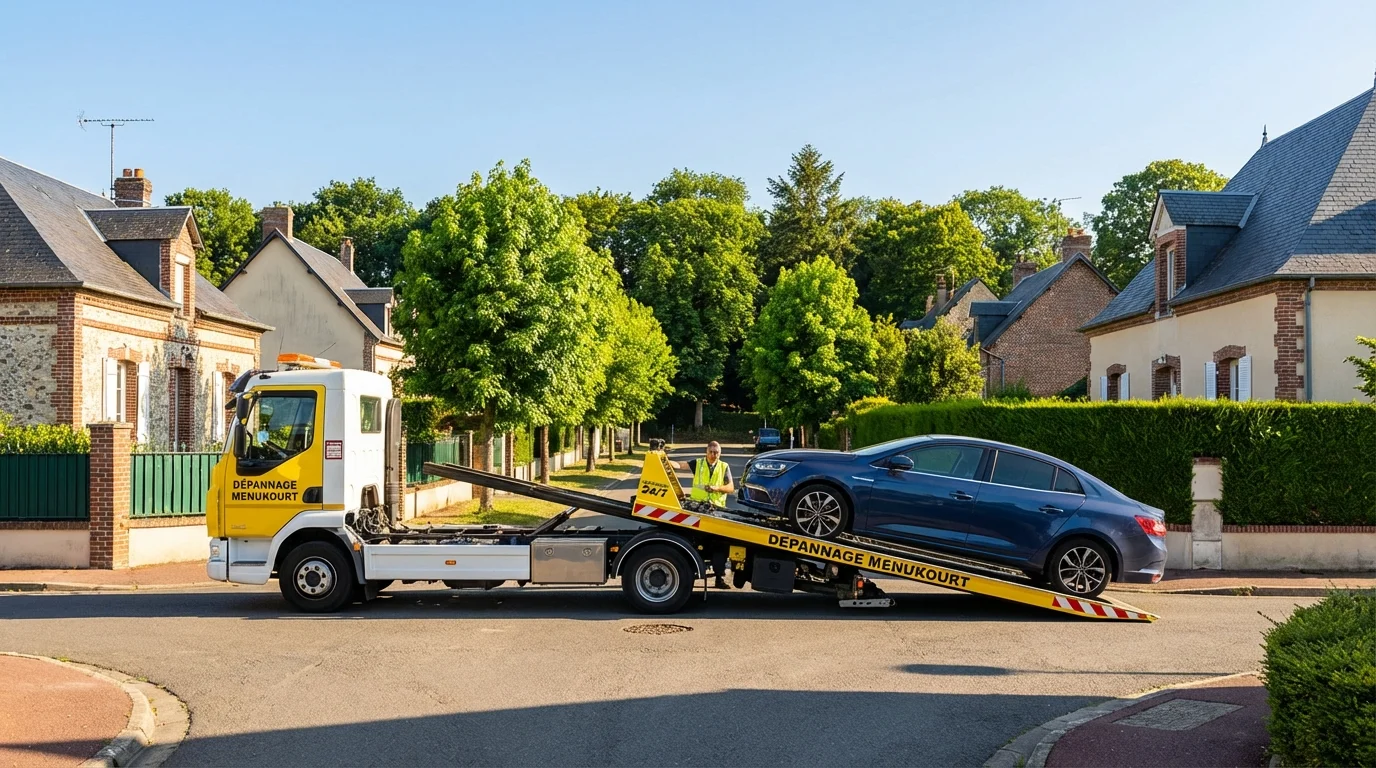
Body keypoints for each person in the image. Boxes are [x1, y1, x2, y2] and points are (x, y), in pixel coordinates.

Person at [669, 441, 736, 588]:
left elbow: (731, 487)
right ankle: (689, 575)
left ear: (720, 453)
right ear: (706, 452)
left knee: (719, 545)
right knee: (694, 543)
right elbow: (681, 465)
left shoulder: (724, 466)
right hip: (698, 510)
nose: (713, 455)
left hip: (717, 511)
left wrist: (717, 488)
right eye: (711, 452)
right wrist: (665, 461)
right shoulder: (698, 464)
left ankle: (719, 578)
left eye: (716, 452)